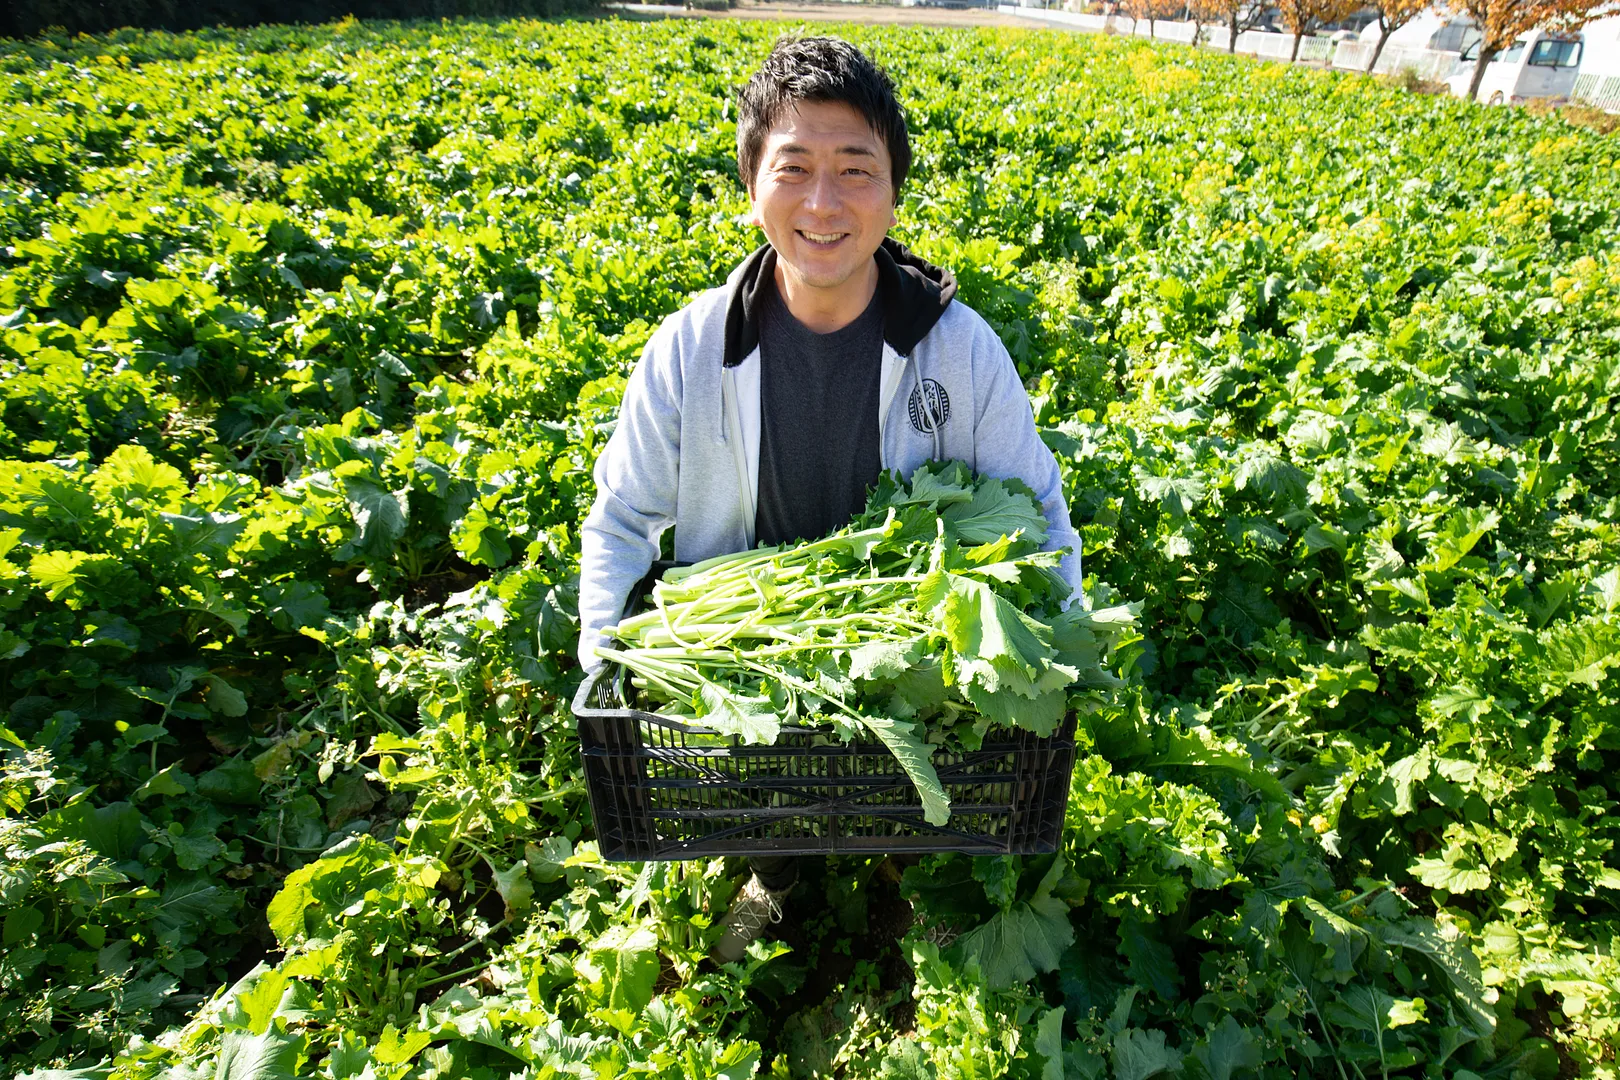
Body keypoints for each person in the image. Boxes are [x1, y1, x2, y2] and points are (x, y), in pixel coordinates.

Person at [576, 35, 1082, 963]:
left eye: (856, 170)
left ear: (893, 191)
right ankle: (781, 875)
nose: (823, 202)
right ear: (752, 183)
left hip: (904, 653)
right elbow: (620, 520)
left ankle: (908, 883)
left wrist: (1058, 642)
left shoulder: (961, 351)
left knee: (923, 769)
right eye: (794, 168)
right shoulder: (689, 351)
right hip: (751, 655)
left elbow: (1039, 514)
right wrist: (606, 657)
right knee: (769, 782)